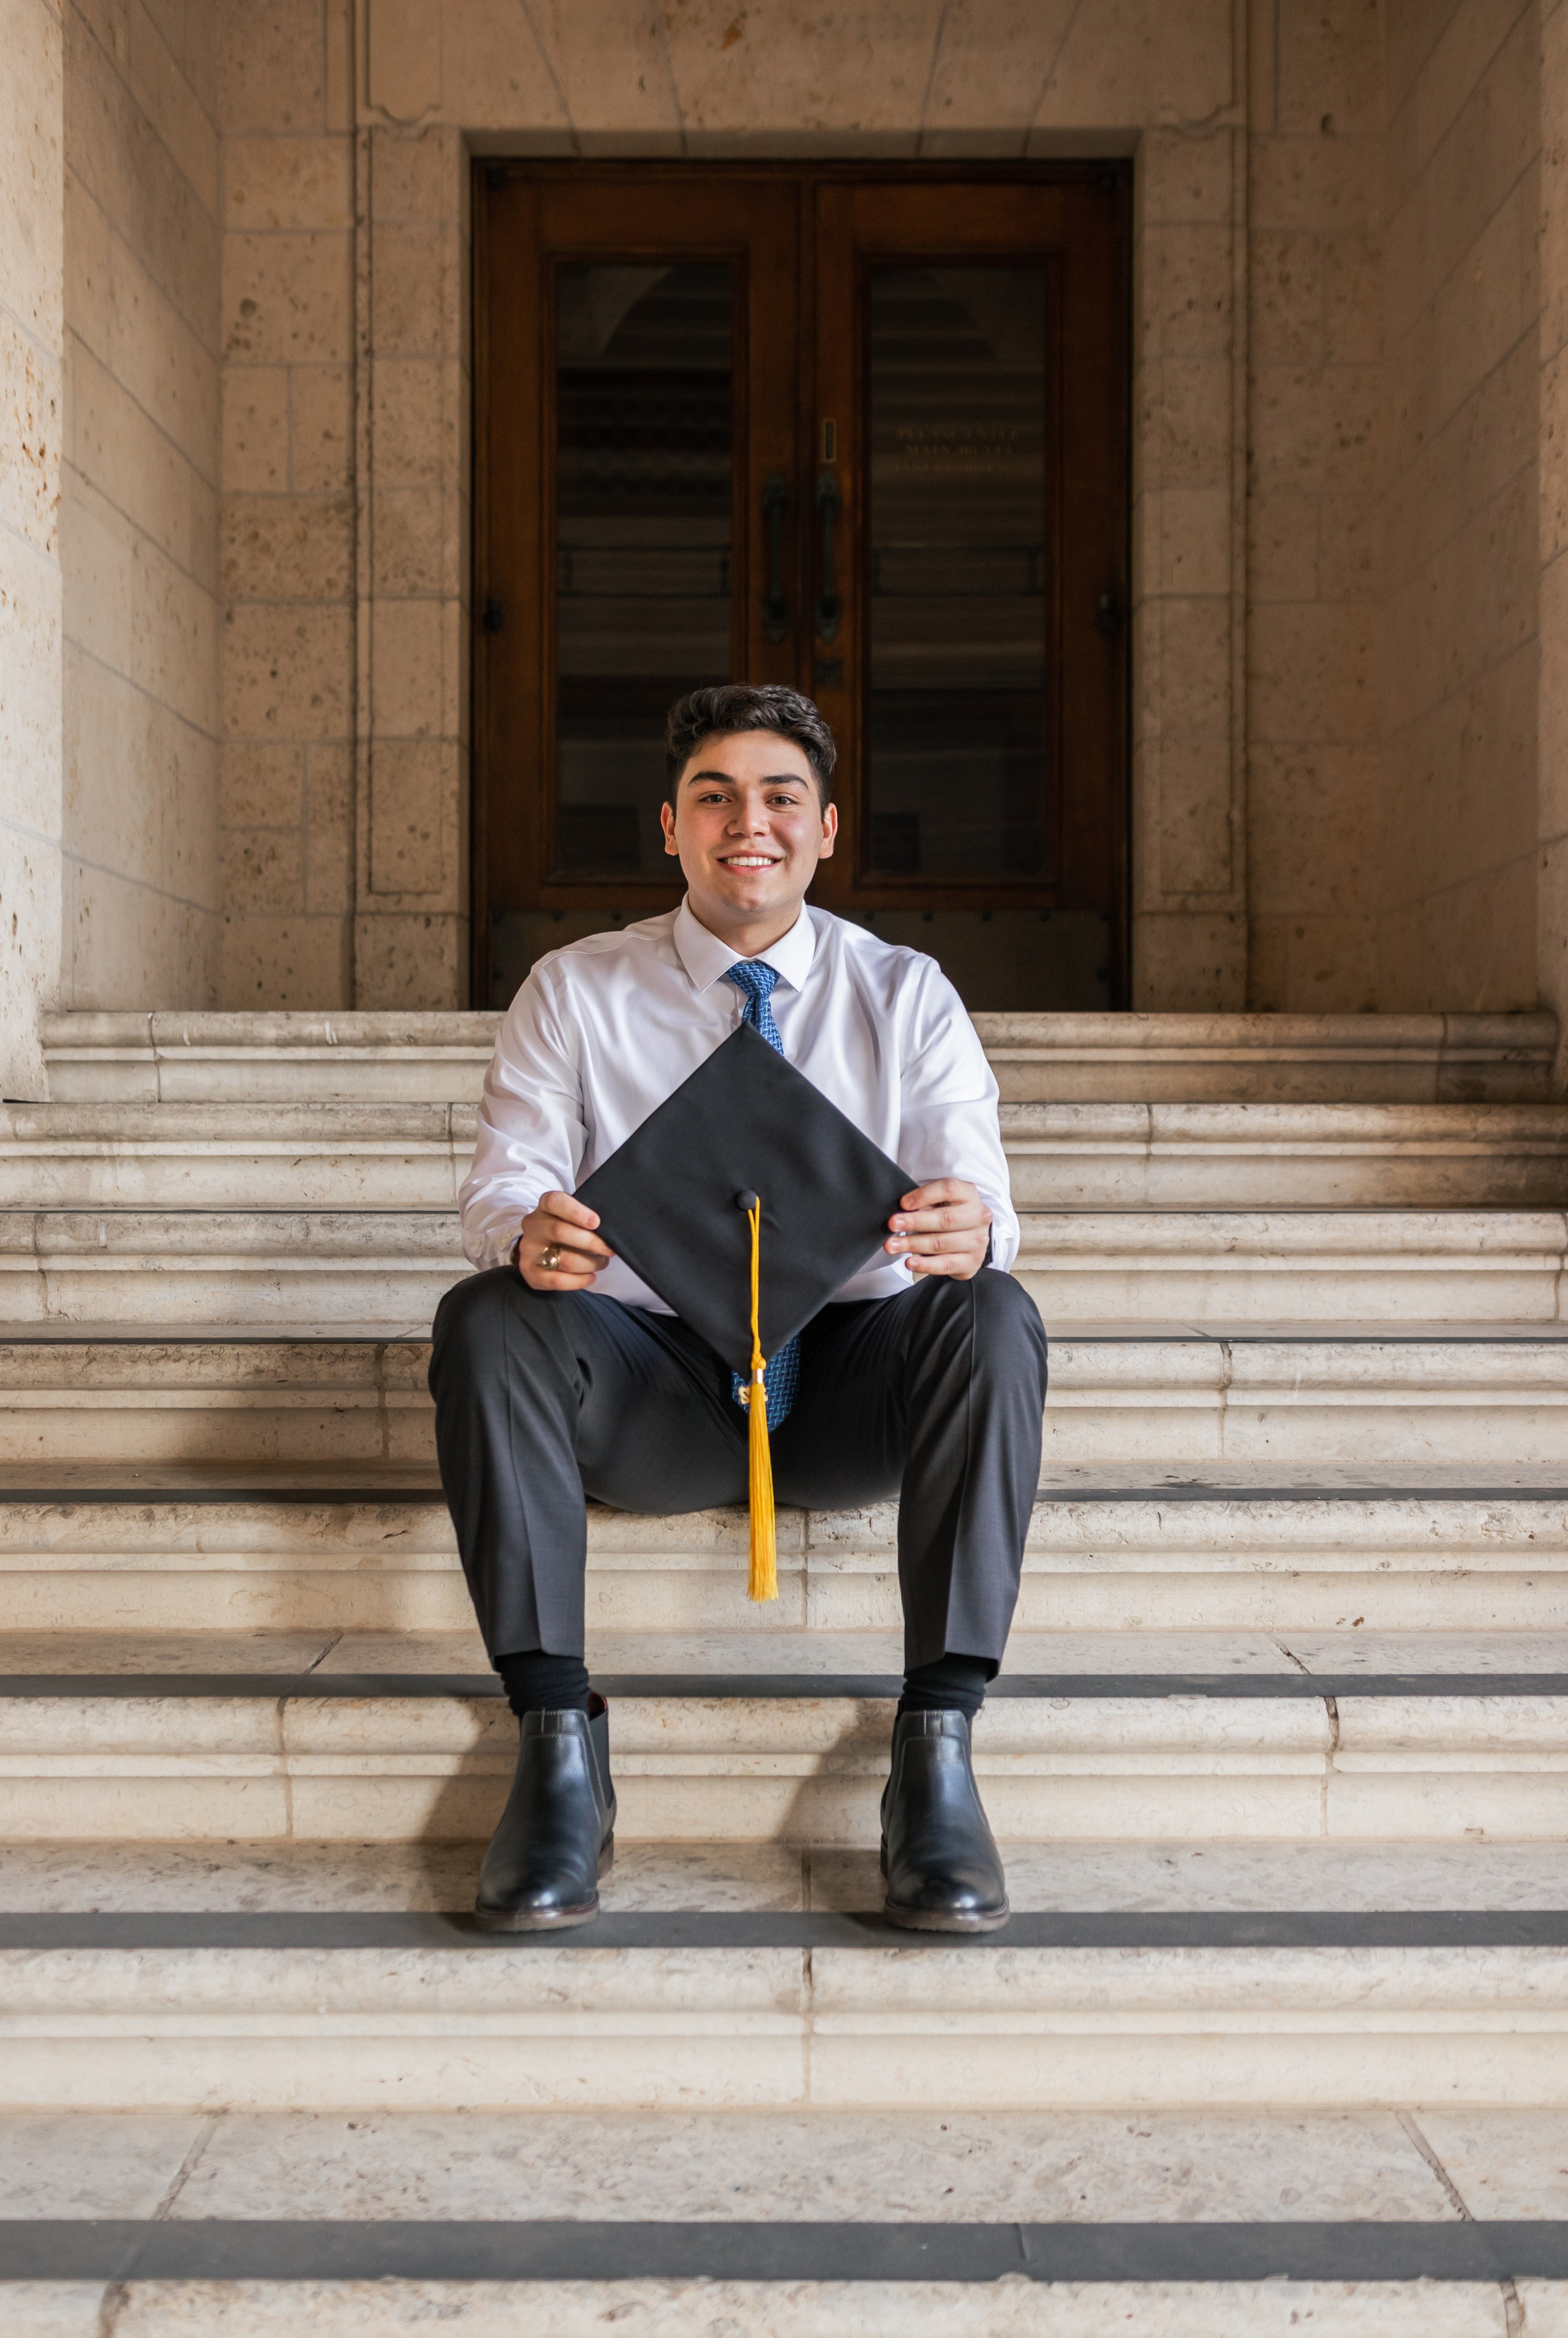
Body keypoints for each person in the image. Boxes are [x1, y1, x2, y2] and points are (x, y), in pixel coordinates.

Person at [429, 684, 1049, 1933]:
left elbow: (974, 1180)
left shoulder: (904, 992)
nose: (745, 824)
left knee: (993, 1313)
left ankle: (934, 1748)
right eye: (712, 797)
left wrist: (970, 1223)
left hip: (843, 1379)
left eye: (780, 798)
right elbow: (503, 1180)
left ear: (826, 830)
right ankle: (556, 1743)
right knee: (486, 1314)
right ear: (669, 827)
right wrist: (525, 1229)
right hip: (655, 1376)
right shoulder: (575, 989)